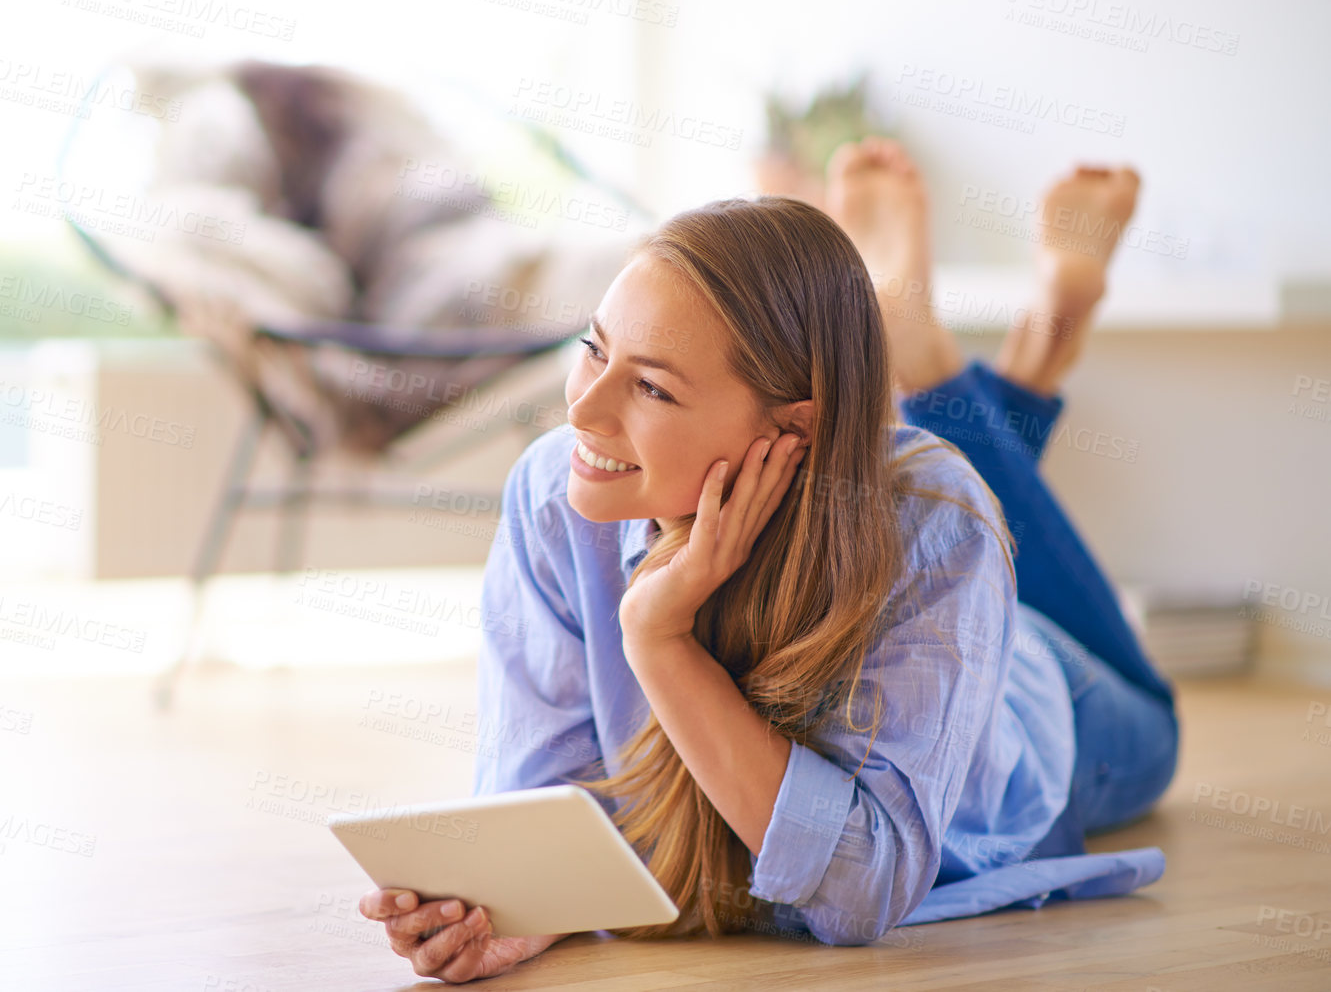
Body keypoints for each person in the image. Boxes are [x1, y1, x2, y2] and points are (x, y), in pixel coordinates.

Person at [356, 138, 1179, 983]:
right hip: (919, 555)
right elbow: (546, 806)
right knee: (930, 480)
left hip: (1038, 695)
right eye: (594, 347)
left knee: (1148, 717)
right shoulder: (551, 496)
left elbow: (862, 889)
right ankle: (965, 347)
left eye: (651, 387)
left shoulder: (933, 522)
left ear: (790, 430)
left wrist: (658, 640)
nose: (584, 409)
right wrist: (531, 912)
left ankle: (1019, 332)